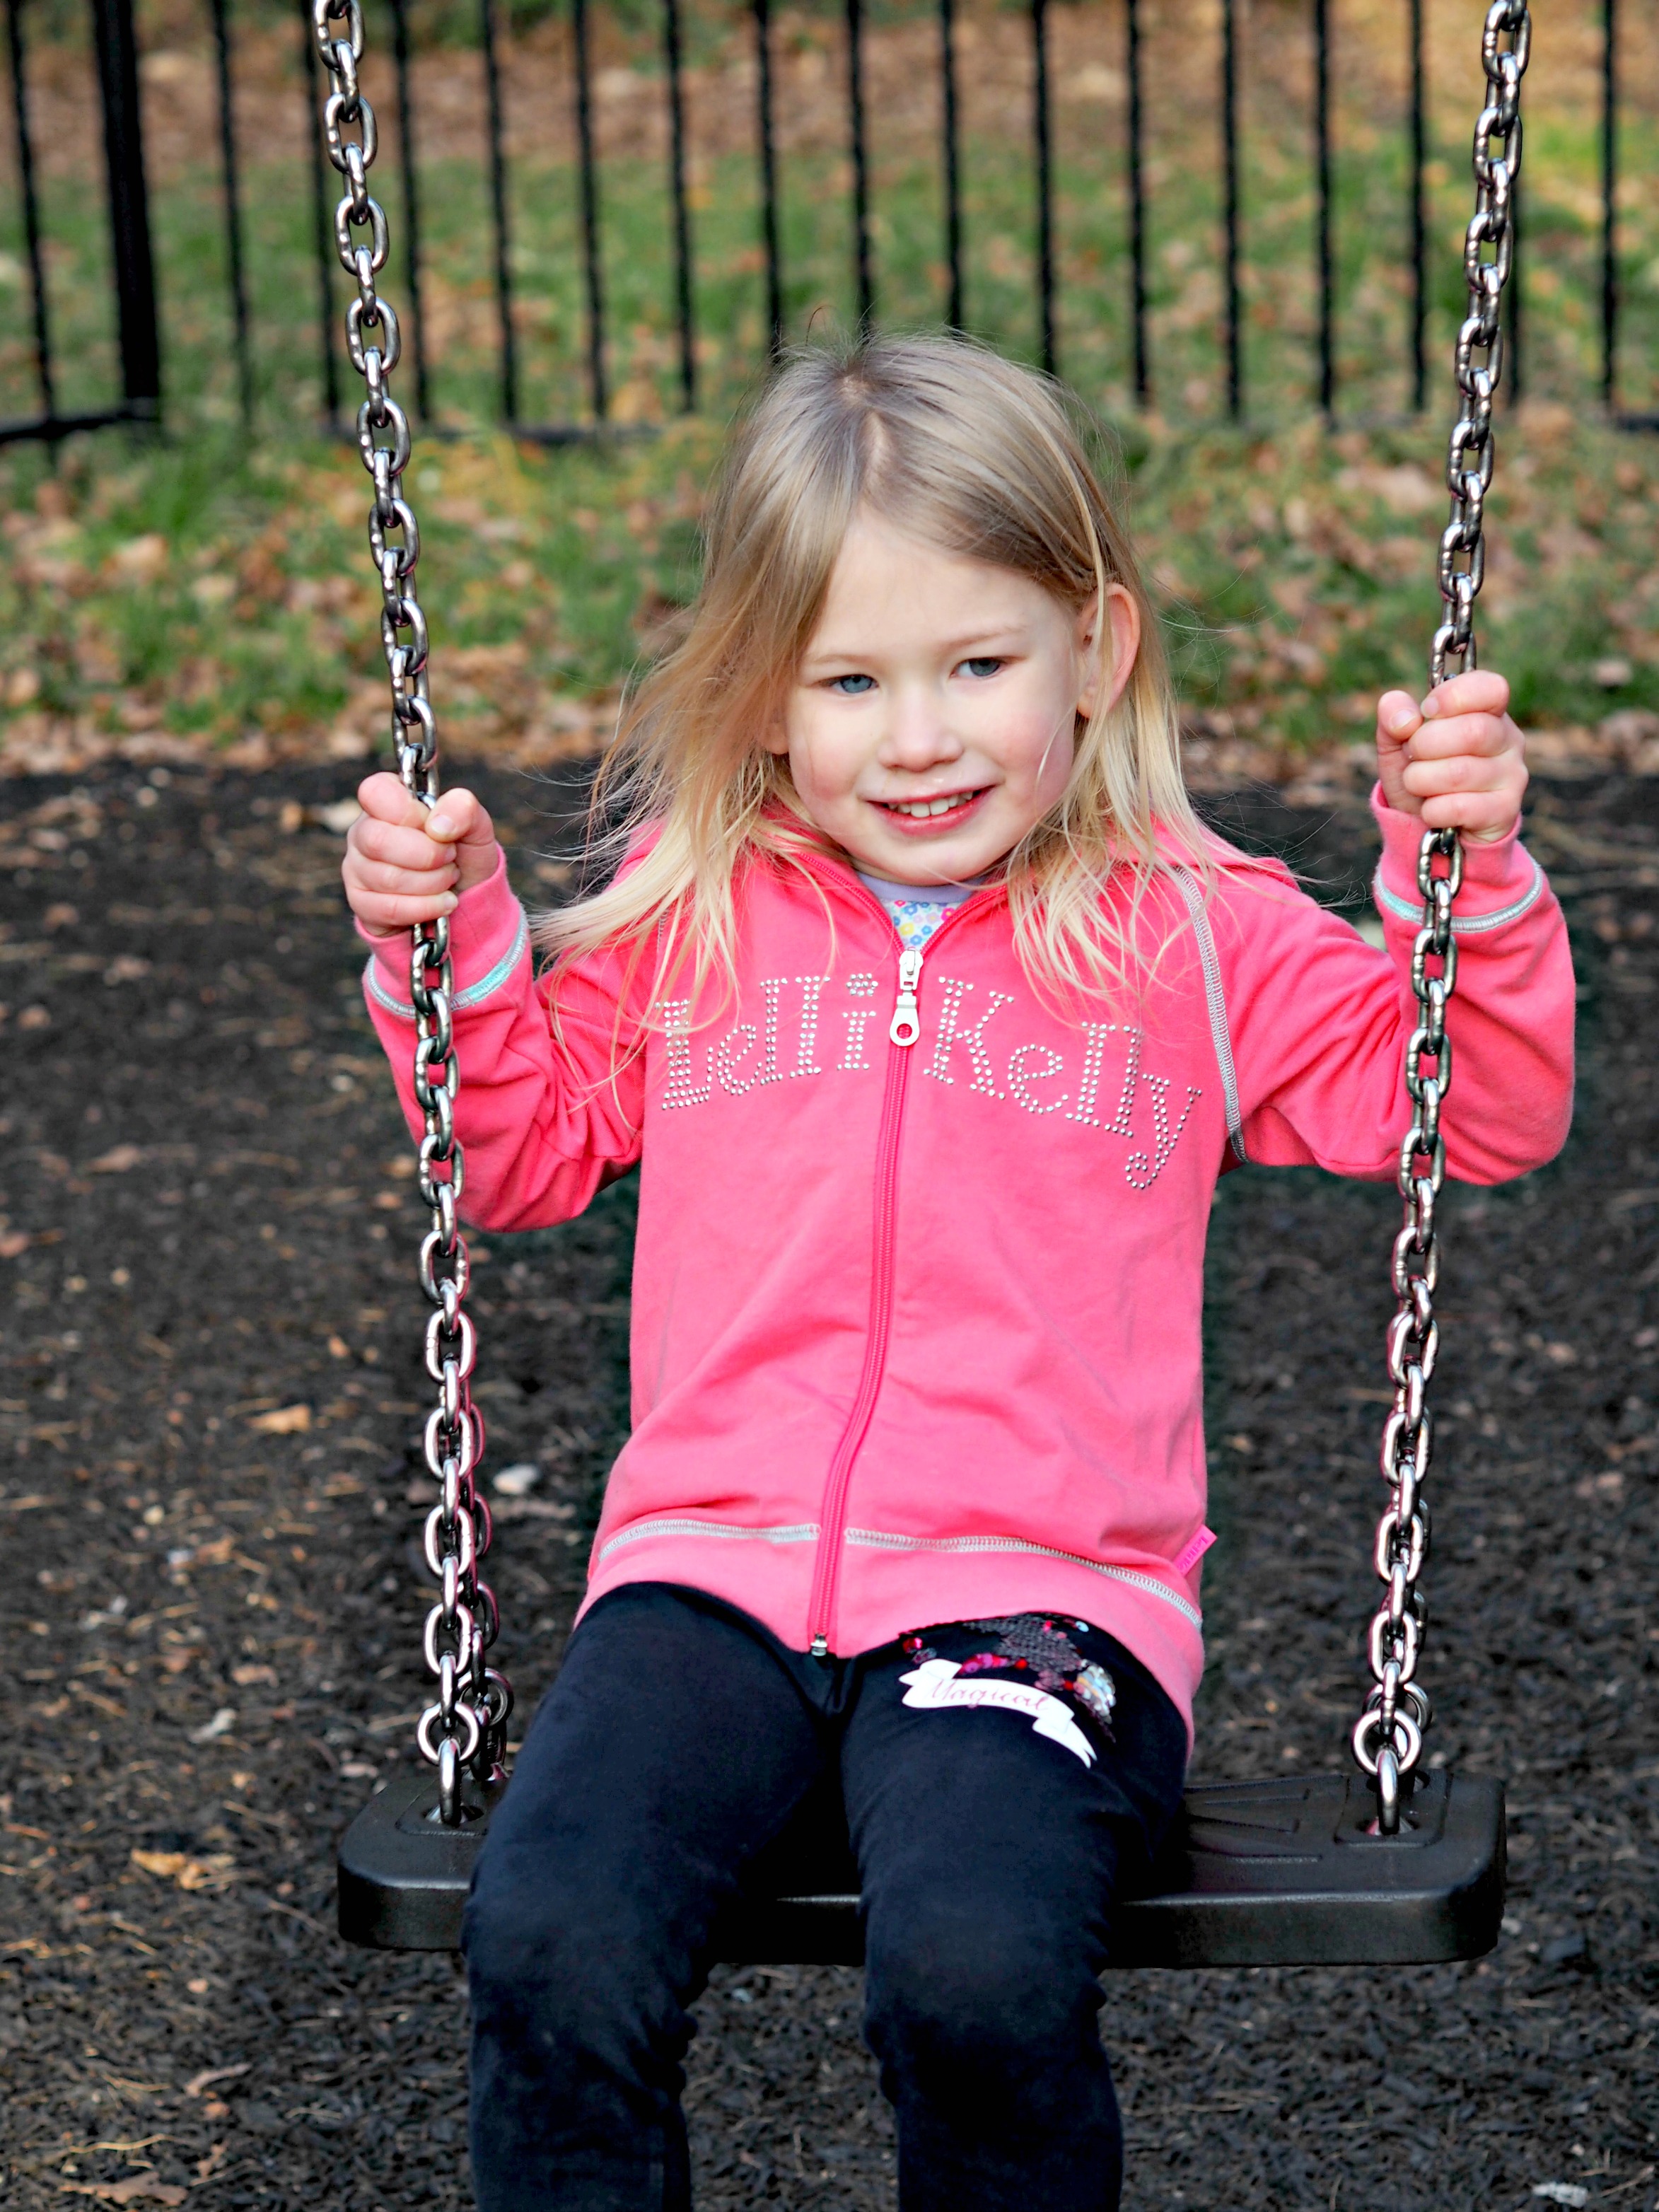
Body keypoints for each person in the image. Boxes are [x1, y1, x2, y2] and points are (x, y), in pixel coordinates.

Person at [341, 333, 1574, 2212]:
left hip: (1036, 1607)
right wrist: (454, 949)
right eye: (848, 680)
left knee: (977, 1968)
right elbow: (509, 1159)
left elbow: (1469, 1101)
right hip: (707, 1583)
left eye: (976, 666)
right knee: (552, 1935)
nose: (915, 739)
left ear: (1098, 650)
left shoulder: (1191, 936)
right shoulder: (700, 918)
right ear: (761, 702)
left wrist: (1460, 869)